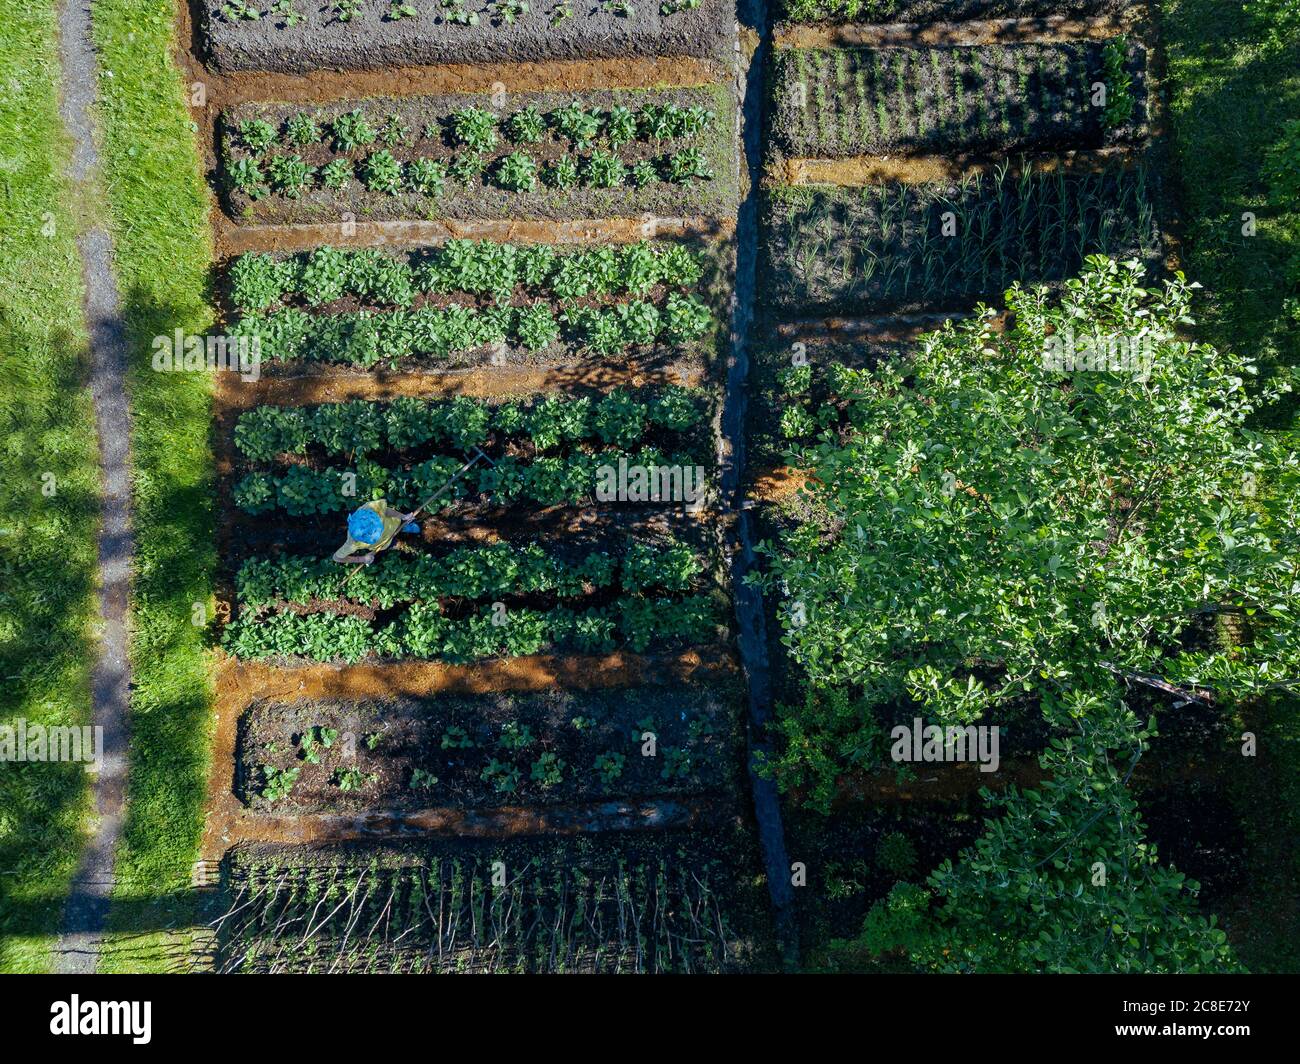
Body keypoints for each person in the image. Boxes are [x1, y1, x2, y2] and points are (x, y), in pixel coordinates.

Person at [333, 499, 421, 565]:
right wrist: (362, 559)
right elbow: (337, 557)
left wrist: (403, 516)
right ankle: (399, 544)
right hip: (384, 543)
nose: (380, 531)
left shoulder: (370, 507)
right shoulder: (352, 543)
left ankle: (404, 526)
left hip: (393, 523)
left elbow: (386, 511)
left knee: (403, 525)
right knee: (395, 544)